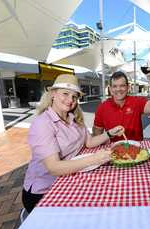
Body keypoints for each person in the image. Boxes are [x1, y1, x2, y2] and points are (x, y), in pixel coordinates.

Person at [22, 74, 124, 214]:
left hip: (68, 179)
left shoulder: (73, 117)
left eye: (74, 97)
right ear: (53, 94)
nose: (70, 100)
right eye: (65, 94)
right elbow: (54, 168)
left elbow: (89, 142)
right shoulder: (42, 123)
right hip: (44, 191)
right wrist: (94, 159)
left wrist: (110, 133)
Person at [93, 67, 150, 141]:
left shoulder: (136, 102)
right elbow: (97, 132)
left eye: (122, 86)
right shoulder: (102, 107)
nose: (118, 89)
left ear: (128, 87)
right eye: (114, 86)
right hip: (114, 149)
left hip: (136, 148)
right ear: (110, 89)